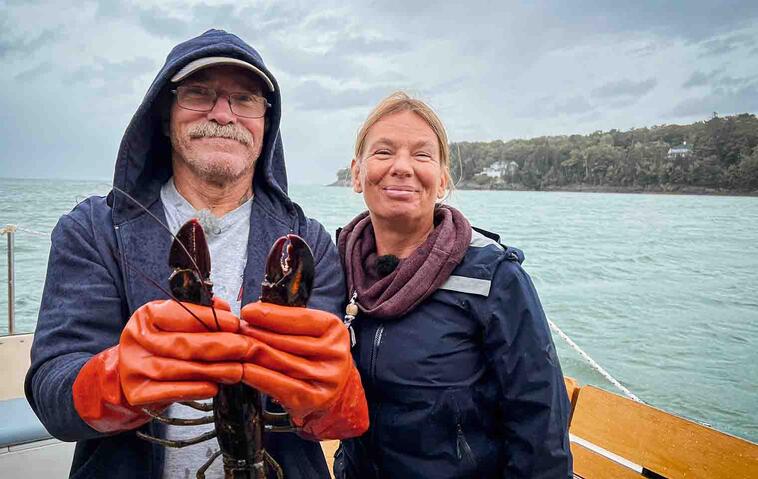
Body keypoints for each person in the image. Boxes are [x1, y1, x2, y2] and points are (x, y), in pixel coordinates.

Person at [25, 29, 368, 479]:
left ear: (266, 125)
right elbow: (53, 393)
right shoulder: (91, 231)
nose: (223, 113)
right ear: (165, 116)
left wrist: (333, 392)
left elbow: (331, 418)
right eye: (199, 93)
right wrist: (112, 380)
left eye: (245, 99)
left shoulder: (308, 243)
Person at [333, 92, 573, 478]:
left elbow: (540, 424)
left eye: (422, 155)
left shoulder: (494, 277)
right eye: (383, 152)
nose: (402, 167)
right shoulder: (337, 267)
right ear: (357, 174)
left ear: (443, 180)